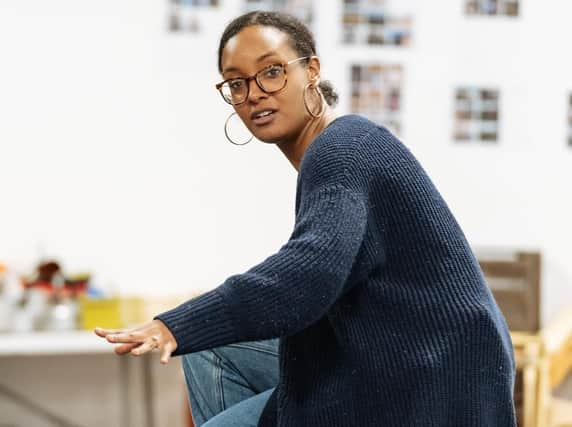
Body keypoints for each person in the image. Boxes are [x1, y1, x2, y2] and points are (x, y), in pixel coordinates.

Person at [95, 10, 517, 427]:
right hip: (387, 358)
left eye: (272, 72)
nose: (254, 93)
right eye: (237, 83)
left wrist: (177, 324)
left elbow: (309, 274)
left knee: (204, 349)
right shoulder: (332, 151)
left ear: (311, 70)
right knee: (210, 348)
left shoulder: (344, 148)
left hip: (430, 377)